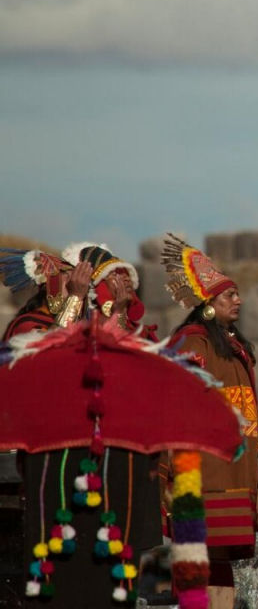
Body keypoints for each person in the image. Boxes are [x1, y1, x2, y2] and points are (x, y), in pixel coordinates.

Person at [1, 243, 161, 604]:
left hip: (102, 471)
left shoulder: (92, 333)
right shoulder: (28, 328)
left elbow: (120, 378)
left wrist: (119, 313)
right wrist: (74, 301)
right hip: (52, 469)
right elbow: (42, 366)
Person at [160, 234, 258, 609]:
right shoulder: (193, 343)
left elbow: (247, 408)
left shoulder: (231, 344)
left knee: (221, 558)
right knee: (199, 553)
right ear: (208, 305)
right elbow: (181, 400)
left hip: (233, 467)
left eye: (237, 294)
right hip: (203, 469)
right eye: (229, 296)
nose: (238, 300)